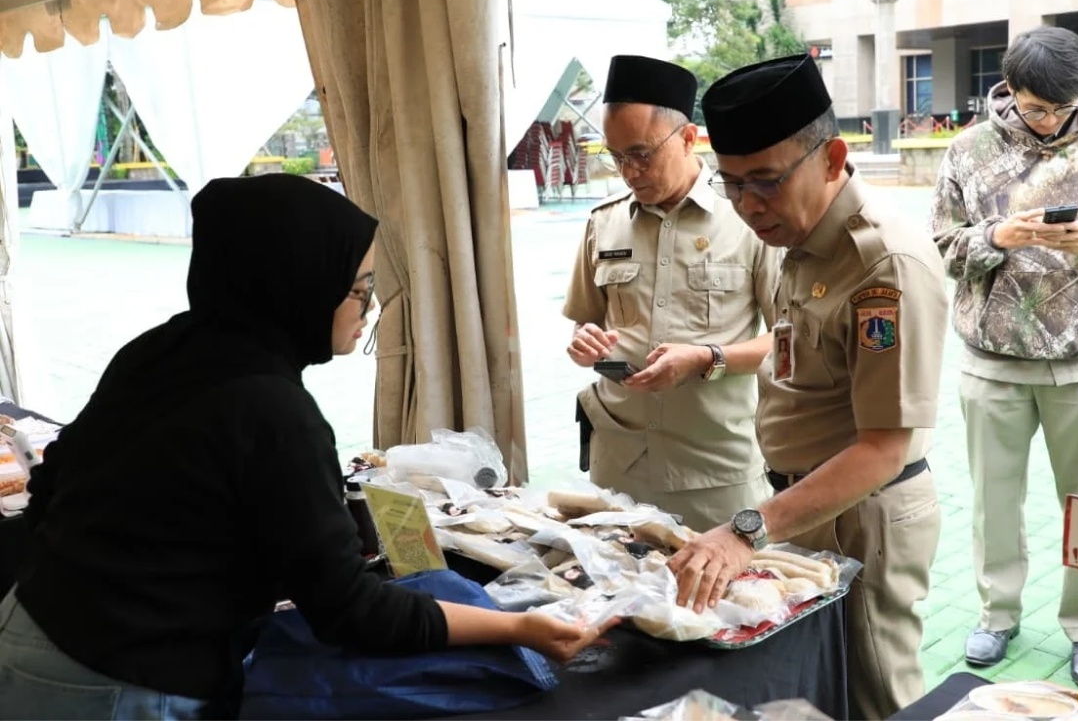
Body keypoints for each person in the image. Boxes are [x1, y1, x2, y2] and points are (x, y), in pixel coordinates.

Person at [0, 174, 612, 720]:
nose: (369, 310)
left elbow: (53, 486)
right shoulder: (271, 409)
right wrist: (518, 628)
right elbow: (349, 611)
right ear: (295, 281)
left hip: (30, 626)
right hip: (120, 679)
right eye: (356, 288)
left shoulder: (162, 349)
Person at [667, 54, 949, 720]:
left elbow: (883, 447)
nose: (747, 206)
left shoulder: (883, 265)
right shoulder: (798, 239)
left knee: (879, 693)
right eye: (731, 185)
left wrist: (745, 529)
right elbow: (799, 356)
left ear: (831, 158)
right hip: (807, 504)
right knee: (823, 685)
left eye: (764, 181)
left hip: (864, 515)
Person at [927, 26, 1078, 685]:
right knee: (995, 501)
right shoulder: (969, 149)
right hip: (993, 358)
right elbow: (944, 246)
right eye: (1038, 107)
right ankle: (997, 614)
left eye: (1062, 107)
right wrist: (994, 237)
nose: (1050, 120)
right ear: (1010, 90)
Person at [563, 55, 779, 532]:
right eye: (615, 156)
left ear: (688, 138)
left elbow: (790, 338)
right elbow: (587, 322)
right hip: (617, 463)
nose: (629, 171)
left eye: (642, 153)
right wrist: (586, 343)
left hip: (714, 469)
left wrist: (706, 357)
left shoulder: (748, 219)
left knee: (728, 599)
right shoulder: (604, 222)